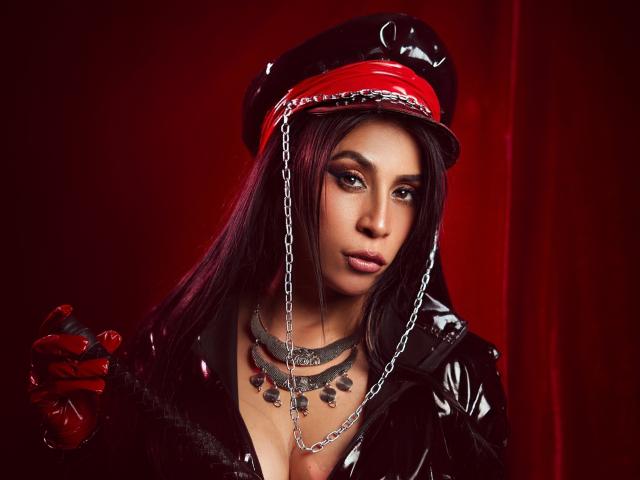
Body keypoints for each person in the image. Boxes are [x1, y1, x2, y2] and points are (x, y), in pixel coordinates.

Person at [28, 12, 509, 480]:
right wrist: (87, 450)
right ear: (286, 176)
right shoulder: (169, 351)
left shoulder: (458, 382)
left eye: (405, 192)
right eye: (350, 178)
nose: (379, 223)